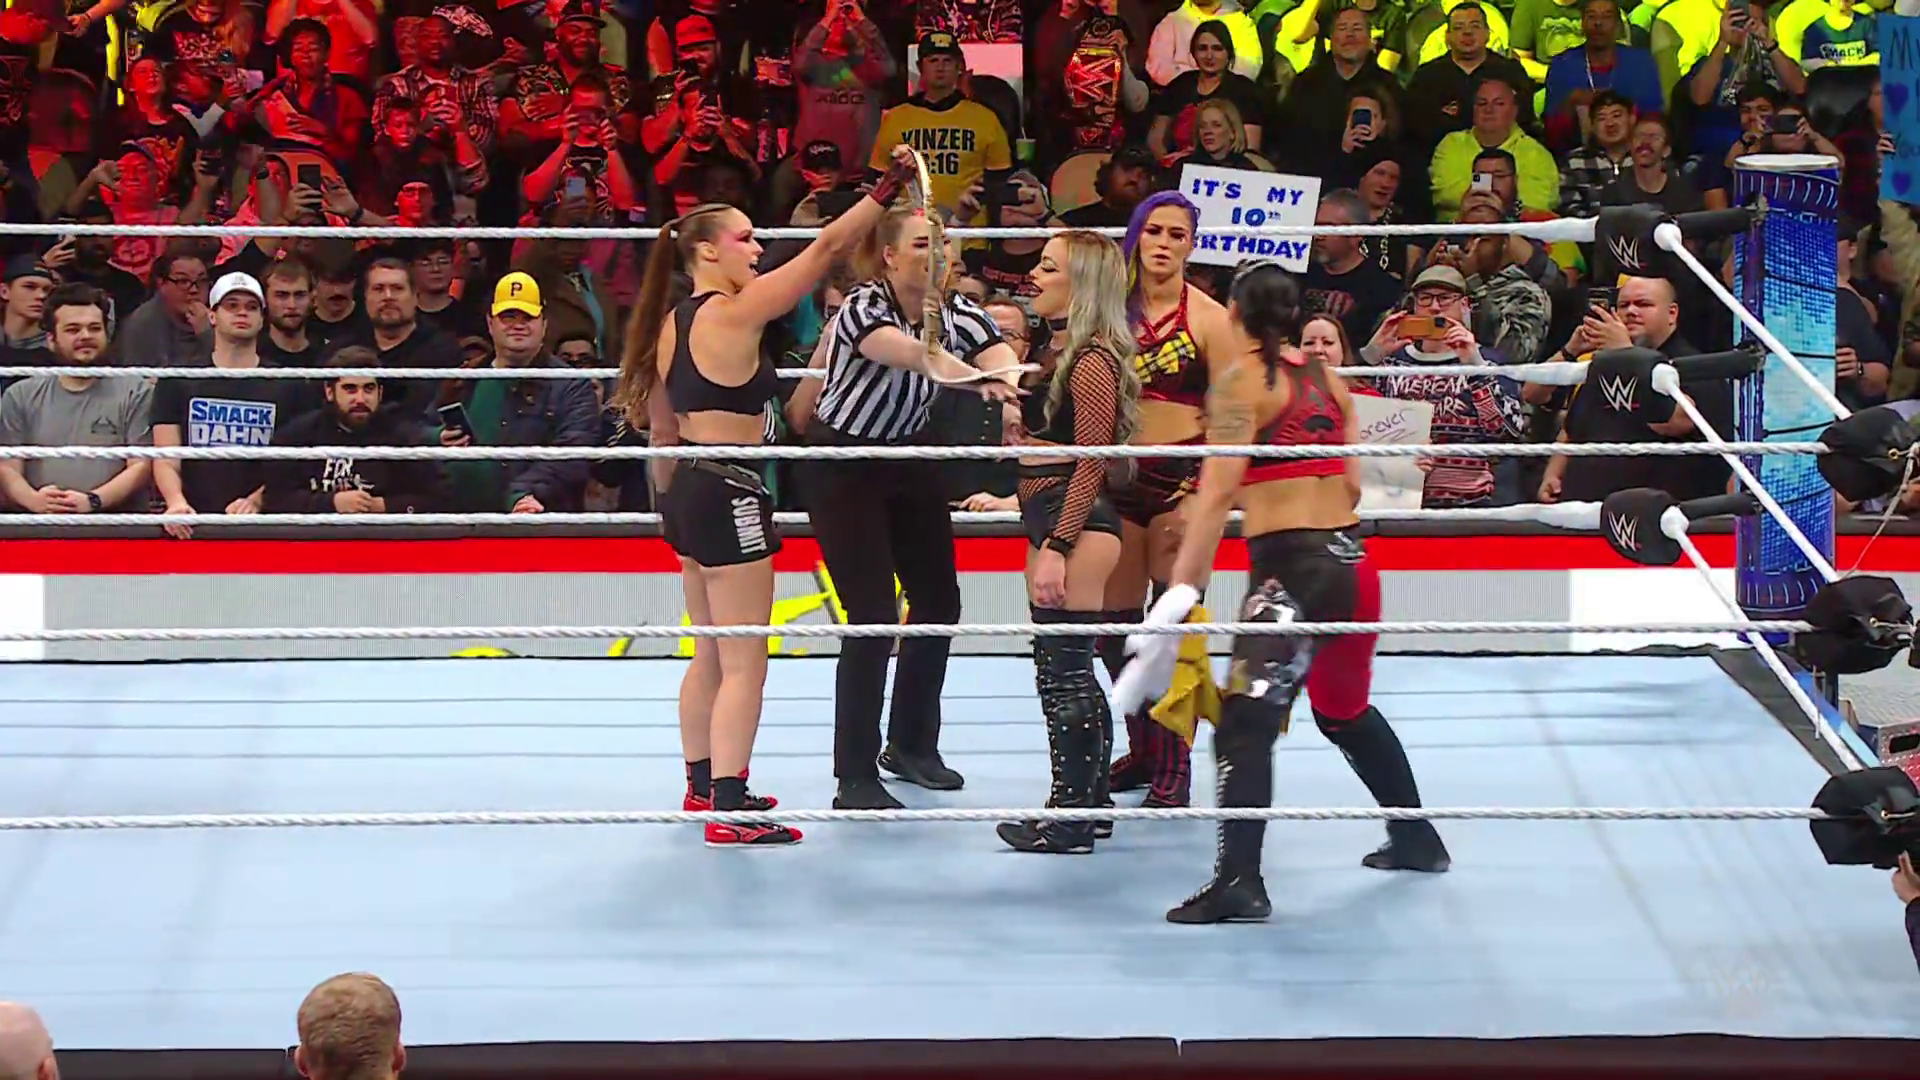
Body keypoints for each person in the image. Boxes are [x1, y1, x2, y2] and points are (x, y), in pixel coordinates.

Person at [1124, 263, 1450, 924]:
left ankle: (1239, 881)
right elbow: (1352, 484)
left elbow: (1215, 497)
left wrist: (1179, 594)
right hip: (1352, 564)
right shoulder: (1330, 380)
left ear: (1235, 315)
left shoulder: (1240, 383)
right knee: (1343, 711)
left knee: (1243, 728)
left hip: (1293, 576)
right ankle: (1416, 836)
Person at [614, 144, 918, 848]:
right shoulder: (734, 312)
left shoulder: (670, 323)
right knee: (745, 658)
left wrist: (673, 511)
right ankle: (729, 803)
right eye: (745, 238)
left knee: (710, 651)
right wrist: (885, 189)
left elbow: (661, 427)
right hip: (729, 490)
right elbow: (827, 249)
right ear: (707, 252)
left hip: (688, 487)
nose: (756, 249)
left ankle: (702, 785)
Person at [796, 206, 1024, 810]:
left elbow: (998, 349)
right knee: (872, 614)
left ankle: (912, 745)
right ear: (890, 256)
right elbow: (916, 355)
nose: (936, 253)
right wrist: (976, 380)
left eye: (942, 243)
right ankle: (854, 774)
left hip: (909, 453)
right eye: (922, 243)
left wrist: (1006, 383)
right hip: (845, 462)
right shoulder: (863, 307)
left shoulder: (958, 310)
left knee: (939, 601)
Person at [997, 229, 1141, 855]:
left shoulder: (1092, 359)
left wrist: (1058, 543)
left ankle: (1071, 815)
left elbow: (1092, 460)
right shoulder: (1061, 352)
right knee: (1069, 671)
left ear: (1081, 282)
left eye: (1049, 267)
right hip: (1055, 518)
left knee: (1064, 674)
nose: (1034, 274)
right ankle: (1089, 804)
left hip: (1073, 522)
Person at [1100, 191, 1235, 814]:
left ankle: (1175, 767)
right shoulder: (1108, 309)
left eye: (1176, 234)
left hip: (1183, 478)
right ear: (1137, 235)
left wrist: (1209, 487)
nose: (1163, 243)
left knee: (1174, 625)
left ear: (1191, 245)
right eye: (1154, 230)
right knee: (1114, 627)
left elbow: (1235, 413)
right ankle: (1146, 750)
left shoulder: (1210, 318)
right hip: (1118, 474)